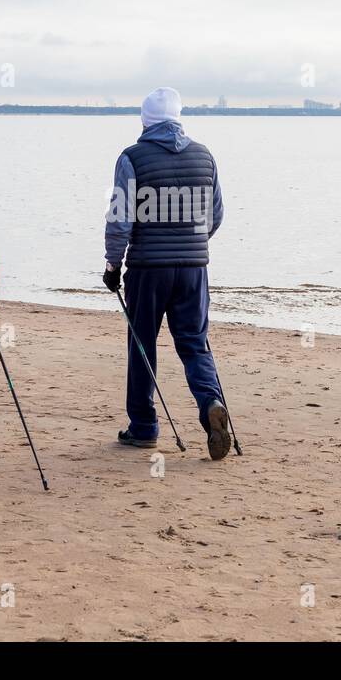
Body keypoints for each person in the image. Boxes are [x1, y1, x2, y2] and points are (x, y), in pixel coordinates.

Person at [103, 86, 232, 460]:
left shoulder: (132, 157)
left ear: (145, 120)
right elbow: (215, 215)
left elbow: (120, 218)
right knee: (194, 343)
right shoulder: (204, 156)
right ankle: (210, 404)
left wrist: (112, 264)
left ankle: (144, 428)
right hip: (193, 269)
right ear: (178, 118)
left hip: (148, 269)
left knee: (142, 344)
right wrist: (191, 242)